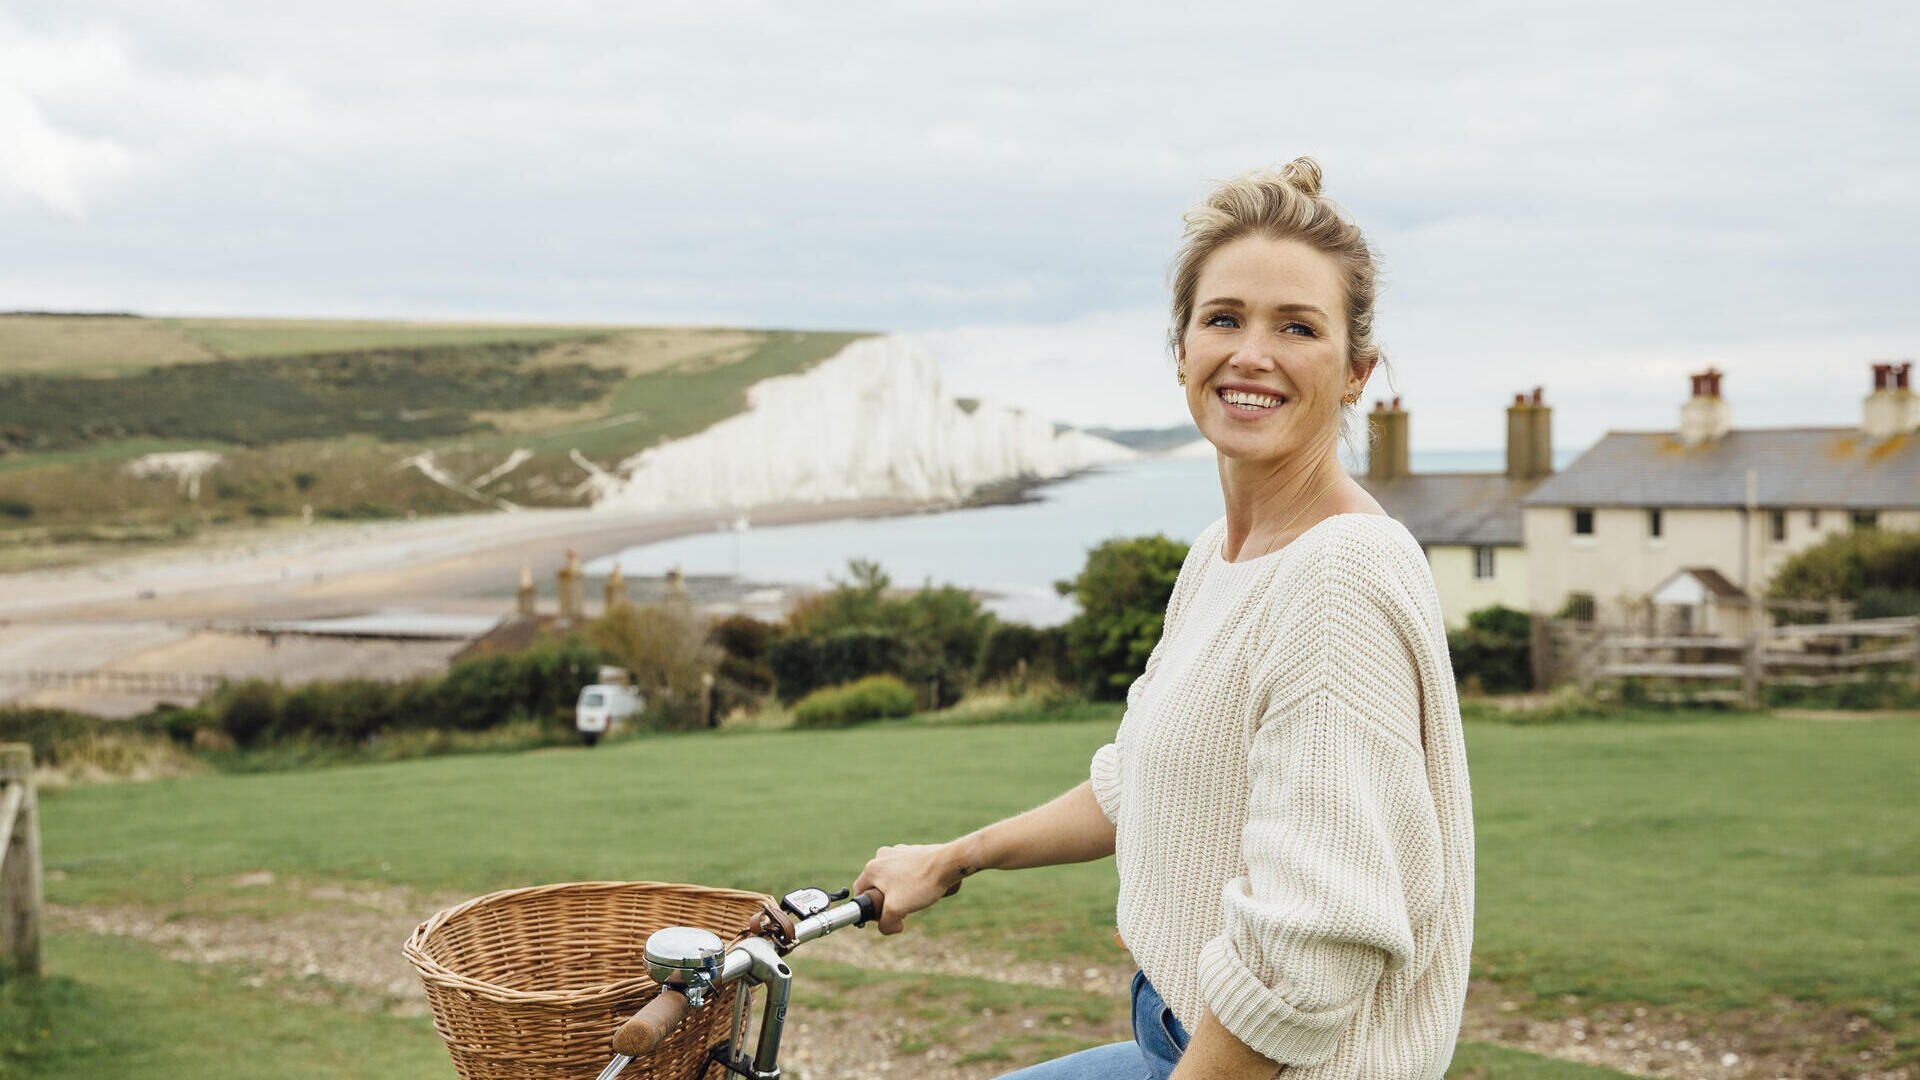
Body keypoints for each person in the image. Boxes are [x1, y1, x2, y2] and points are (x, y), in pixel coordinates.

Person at [852, 158, 1475, 1080]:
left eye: (1297, 327)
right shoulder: (1220, 556)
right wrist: (955, 858)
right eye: (1223, 319)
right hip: (1168, 1036)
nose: (1251, 354)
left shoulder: (1338, 577)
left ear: (1355, 373)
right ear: (1181, 350)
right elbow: (1139, 781)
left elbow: (1307, 951)